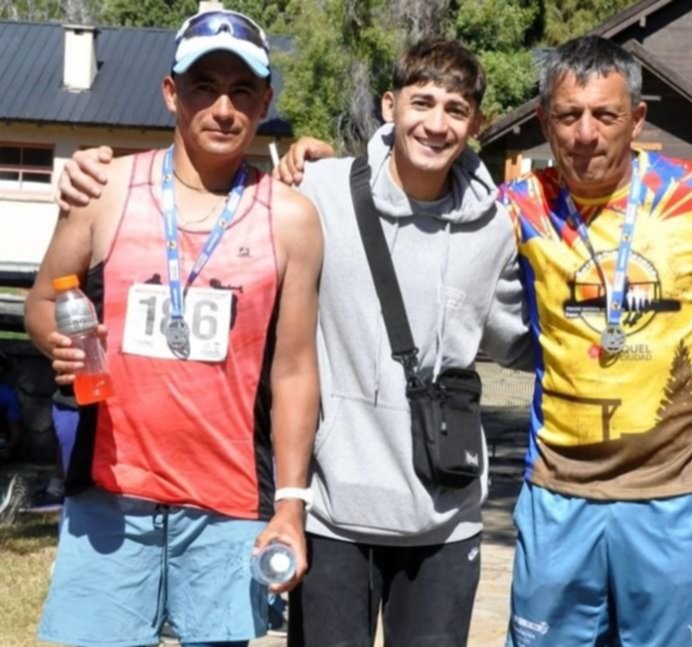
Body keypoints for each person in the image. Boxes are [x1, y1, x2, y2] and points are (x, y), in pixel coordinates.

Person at [59, 38, 529, 646]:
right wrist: (89, 170)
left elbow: (520, 338)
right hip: (333, 508)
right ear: (389, 106)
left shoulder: (495, 225)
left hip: (444, 516)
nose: (436, 124)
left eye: (456, 110)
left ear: (478, 123)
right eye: (422, 102)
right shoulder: (319, 191)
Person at [26, 9, 323, 646]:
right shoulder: (107, 188)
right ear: (171, 93)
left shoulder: (290, 218)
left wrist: (292, 505)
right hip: (110, 499)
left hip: (226, 507)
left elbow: (295, 371)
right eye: (203, 87)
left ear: (265, 101)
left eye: (243, 90)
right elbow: (43, 302)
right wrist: (55, 339)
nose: (223, 108)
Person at [497, 36, 692, 646]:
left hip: (676, 495)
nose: (586, 134)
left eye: (605, 115)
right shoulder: (516, 206)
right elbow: (423, 211)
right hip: (558, 493)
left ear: (637, 119)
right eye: (568, 115)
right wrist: (332, 165)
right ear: (542, 122)